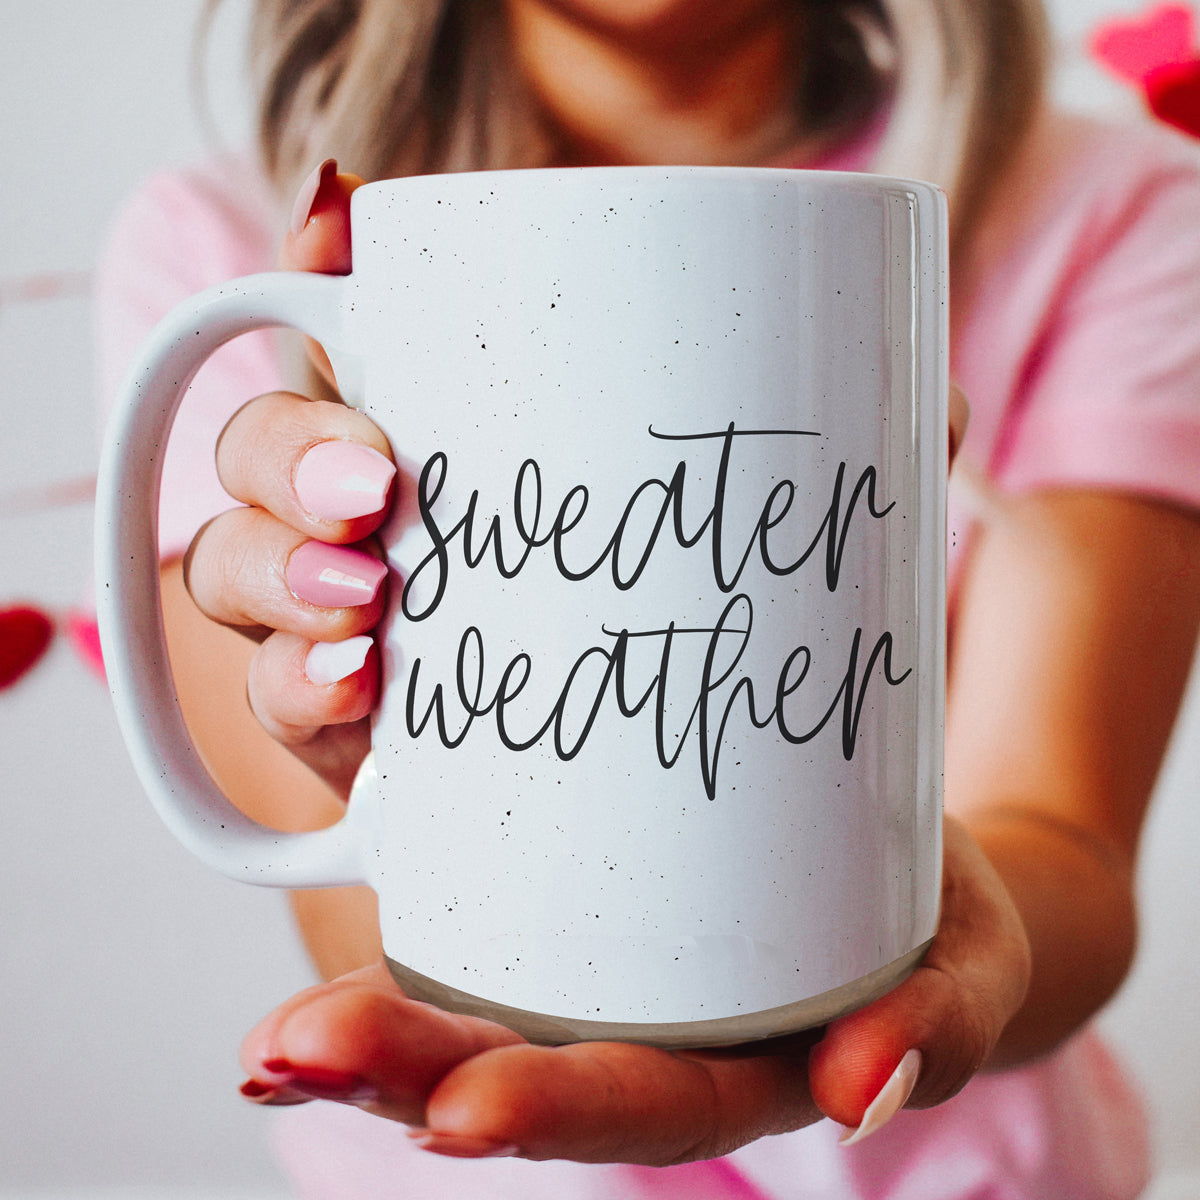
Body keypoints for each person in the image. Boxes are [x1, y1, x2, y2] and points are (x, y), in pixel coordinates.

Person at [95, 1, 1200, 1195]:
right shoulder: (227, 243)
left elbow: (1065, 841)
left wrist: (948, 930)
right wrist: (368, 758)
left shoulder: (1111, 205)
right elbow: (362, 922)